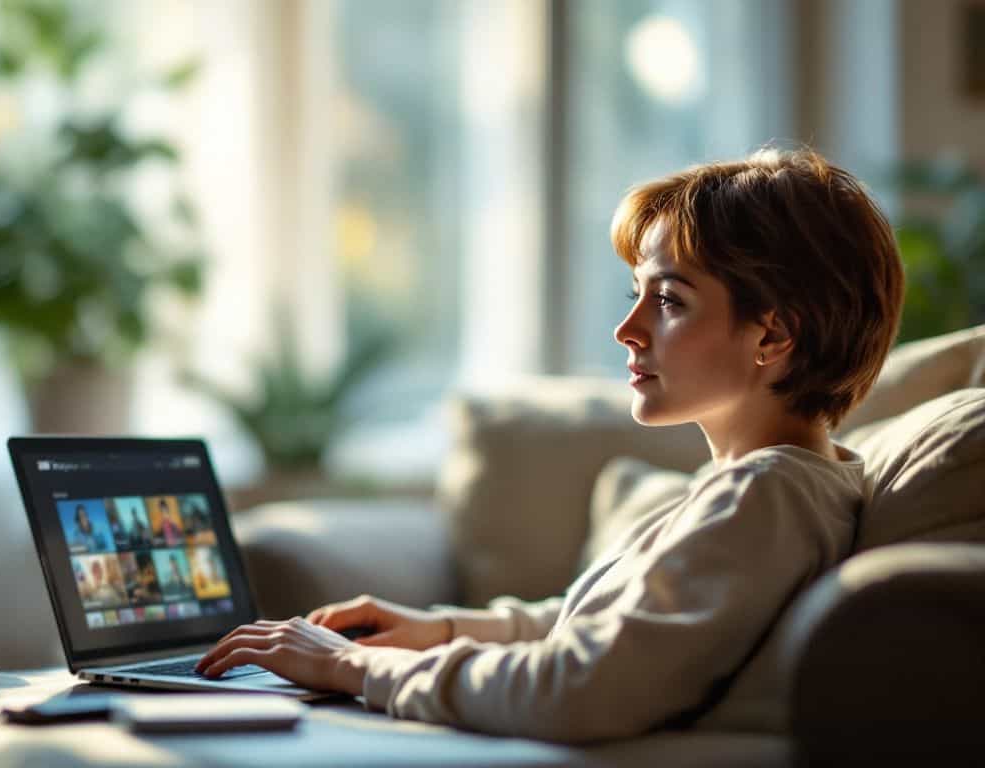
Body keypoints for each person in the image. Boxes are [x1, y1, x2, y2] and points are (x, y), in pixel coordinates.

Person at [194, 148, 905, 743]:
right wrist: (436, 629)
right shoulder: (766, 486)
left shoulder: (767, 497)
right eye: (636, 293)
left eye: (669, 300)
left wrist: (353, 669)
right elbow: (601, 627)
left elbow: (581, 687)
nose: (627, 329)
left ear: (774, 336)